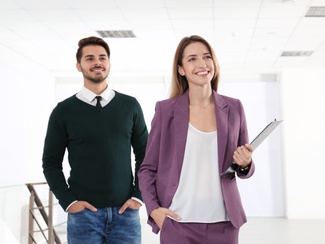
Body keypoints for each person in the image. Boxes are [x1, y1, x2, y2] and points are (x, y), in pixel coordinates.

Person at [138, 35, 255, 244]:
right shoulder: (166, 111)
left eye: (207, 57)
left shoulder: (234, 108)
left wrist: (245, 164)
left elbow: (244, 168)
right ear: (181, 69)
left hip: (225, 224)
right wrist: (154, 210)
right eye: (192, 59)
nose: (202, 64)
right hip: (177, 223)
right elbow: (147, 169)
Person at [42, 36, 148, 244]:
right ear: (79, 66)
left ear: (109, 63)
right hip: (84, 217)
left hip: (125, 214)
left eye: (102, 57)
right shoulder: (63, 111)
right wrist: (68, 201)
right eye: (90, 58)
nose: (97, 62)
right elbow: (51, 163)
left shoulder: (130, 106)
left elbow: (146, 155)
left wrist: (138, 196)